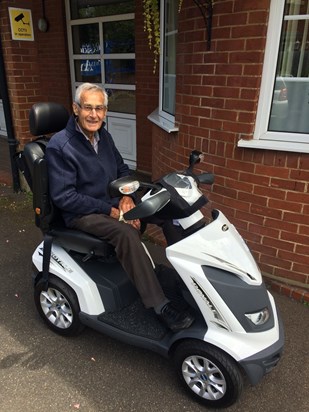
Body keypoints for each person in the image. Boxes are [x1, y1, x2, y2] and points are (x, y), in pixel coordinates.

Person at [46, 83, 194, 332]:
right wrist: (113, 212)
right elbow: (64, 197)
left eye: (100, 108)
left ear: (105, 111)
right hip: (82, 213)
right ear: (75, 108)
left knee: (166, 209)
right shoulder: (60, 146)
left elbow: (123, 171)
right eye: (88, 108)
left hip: (112, 203)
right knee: (125, 232)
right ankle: (159, 305)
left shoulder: (104, 136)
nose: (94, 115)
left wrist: (128, 198)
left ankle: (188, 280)